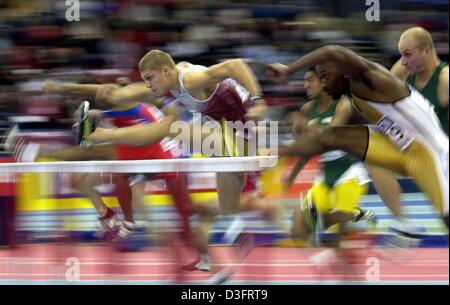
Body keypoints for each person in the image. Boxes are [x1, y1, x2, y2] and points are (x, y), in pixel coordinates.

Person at [267, 45, 449, 232]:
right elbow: (328, 138)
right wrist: (277, 154)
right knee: (340, 140)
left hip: (433, 152)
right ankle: (402, 221)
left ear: (343, 71)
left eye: (326, 77)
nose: (324, 84)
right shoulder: (353, 99)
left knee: (446, 217)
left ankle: (400, 223)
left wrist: (289, 69)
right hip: (406, 150)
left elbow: (332, 51)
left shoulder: (368, 79)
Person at [286, 68, 374, 248]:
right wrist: (292, 175)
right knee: (298, 232)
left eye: (310, 80)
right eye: (304, 81)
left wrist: (307, 127)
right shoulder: (307, 109)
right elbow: (307, 149)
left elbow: (333, 136)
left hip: (350, 174)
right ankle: (354, 213)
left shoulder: (343, 104)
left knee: (334, 240)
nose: (305, 86)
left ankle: (348, 213)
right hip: (326, 176)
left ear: (324, 82)